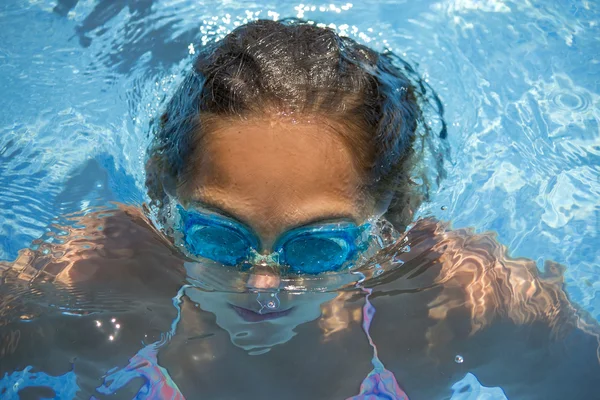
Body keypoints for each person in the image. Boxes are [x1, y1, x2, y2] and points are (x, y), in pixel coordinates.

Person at [1, 19, 599, 400]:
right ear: (163, 195)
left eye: (316, 246)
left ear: (393, 217)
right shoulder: (91, 274)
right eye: (216, 236)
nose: (263, 285)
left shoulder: (460, 301)